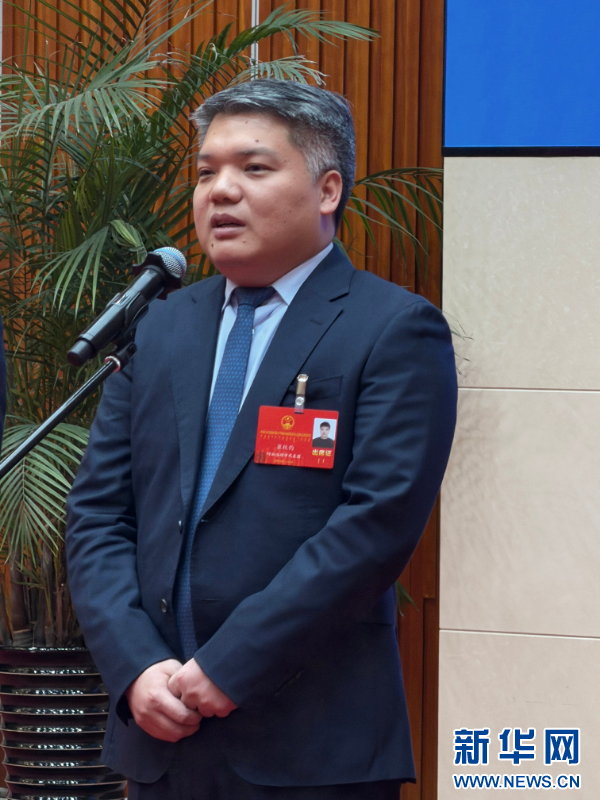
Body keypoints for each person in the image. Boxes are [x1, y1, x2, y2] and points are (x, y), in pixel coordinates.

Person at [66, 79, 457, 800]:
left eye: (253, 167)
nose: (220, 190)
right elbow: (98, 515)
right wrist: (135, 666)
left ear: (328, 189)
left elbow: (375, 527)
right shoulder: (160, 327)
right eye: (206, 172)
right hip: (162, 735)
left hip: (311, 746)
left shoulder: (392, 328)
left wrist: (228, 667)